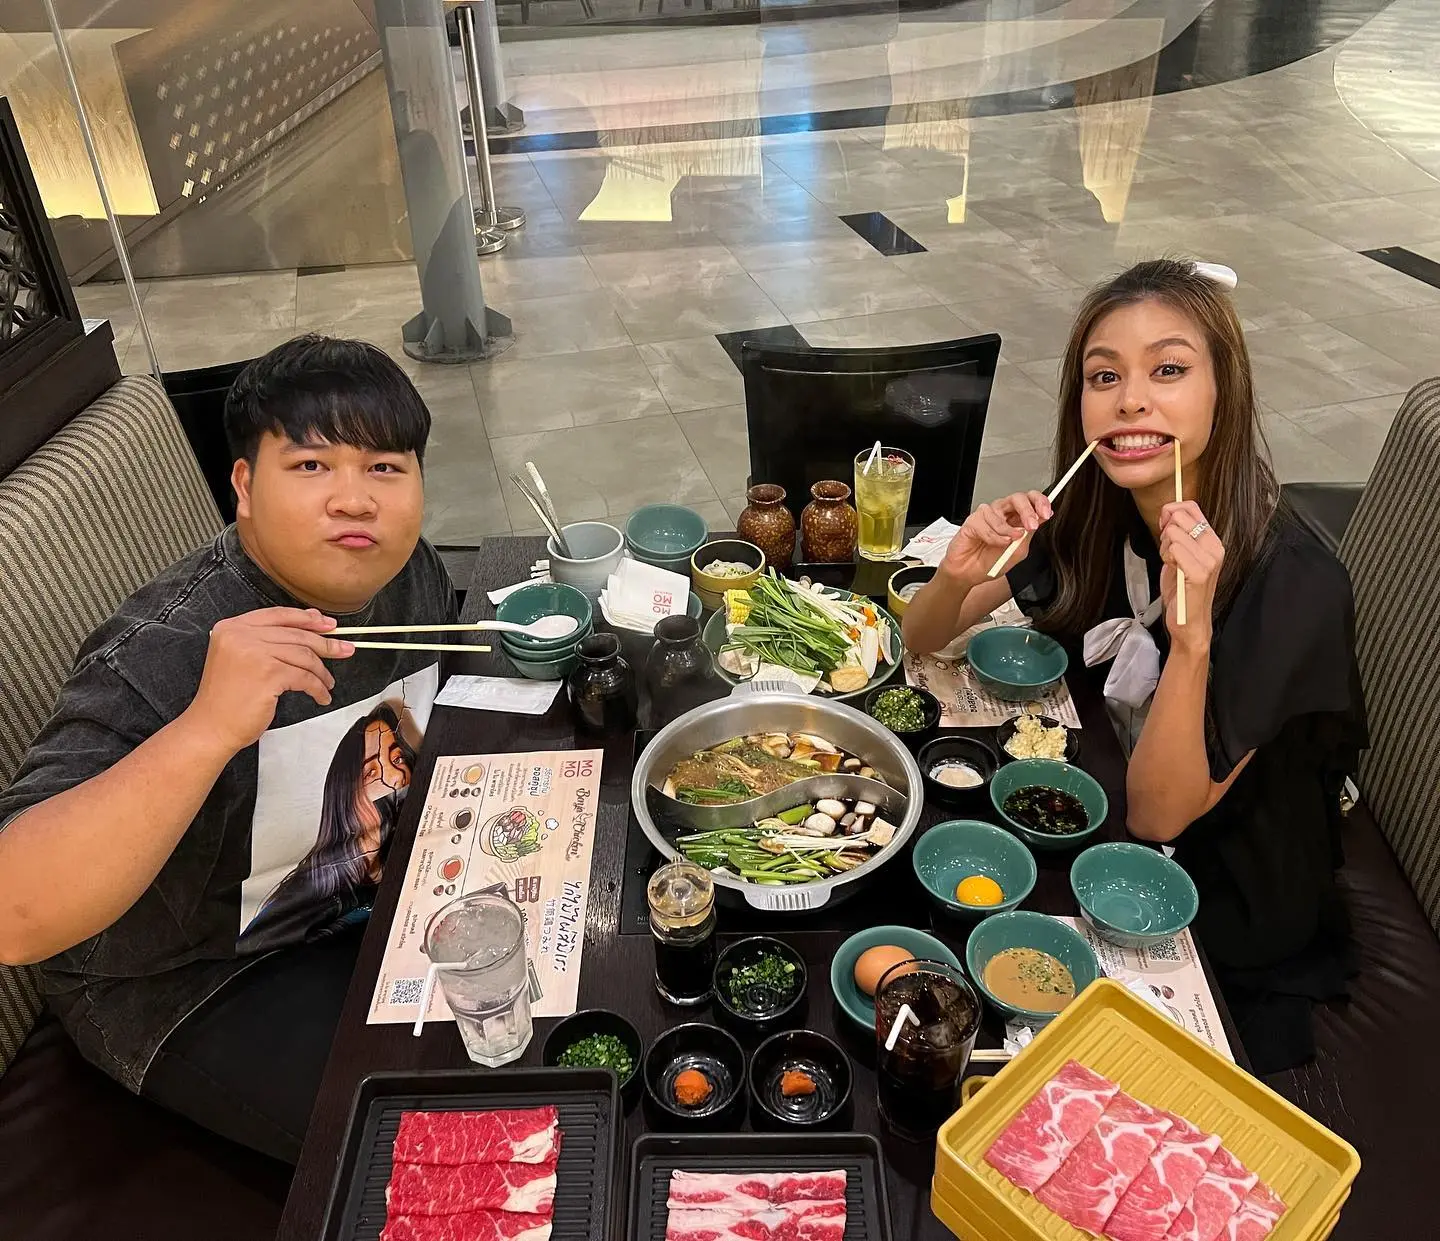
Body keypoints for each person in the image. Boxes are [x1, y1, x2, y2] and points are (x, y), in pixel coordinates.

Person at [0, 334, 456, 1162]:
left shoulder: (408, 574)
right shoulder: (162, 651)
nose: (355, 500)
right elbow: (13, 916)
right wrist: (206, 727)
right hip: (193, 979)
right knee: (432, 1145)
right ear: (243, 485)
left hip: (362, 898)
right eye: (312, 465)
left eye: (385, 467)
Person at [904, 258, 1367, 1072]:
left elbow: (1160, 817)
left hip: (1226, 886)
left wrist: (1192, 642)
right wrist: (958, 571)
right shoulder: (1096, 508)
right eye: (1105, 375)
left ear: (1225, 391)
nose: (1130, 400)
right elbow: (923, 637)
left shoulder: (1294, 583)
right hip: (1105, 800)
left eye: (1169, 369)